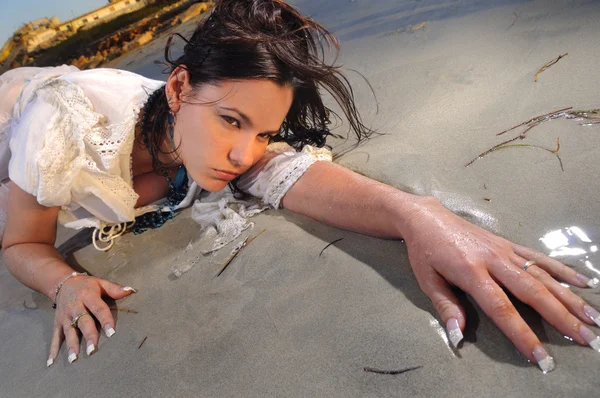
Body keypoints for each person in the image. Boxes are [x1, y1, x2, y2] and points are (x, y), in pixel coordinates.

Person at [1, 0, 598, 373]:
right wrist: (68, 281)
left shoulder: (221, 138)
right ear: (178, 89)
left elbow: (292, 174)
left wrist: (420, 217)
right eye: (231, 121)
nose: (244, 154)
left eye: (262, 131)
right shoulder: (61, 128)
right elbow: (21, 245)